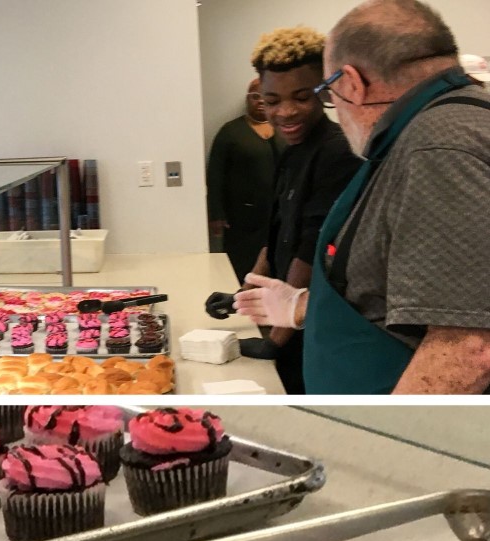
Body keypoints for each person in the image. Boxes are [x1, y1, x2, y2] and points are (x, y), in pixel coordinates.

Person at [233, 0, 490, 394]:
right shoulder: (429, 129)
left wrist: (385, 437)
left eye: (326, 92)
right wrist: (300, 307)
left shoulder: (439, 147)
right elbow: (384, 299)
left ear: (351, 82)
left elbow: (468, 349)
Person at [208, 26, 360, 394]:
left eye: (302, 97)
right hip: (288, 320)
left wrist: (275, 340)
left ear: (324, 90)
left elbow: (308, 253)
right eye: (272, 101)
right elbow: (276, 237)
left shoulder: (336, 151)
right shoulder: (292, 150)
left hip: (312, 328)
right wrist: (243, 294)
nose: (286, 112)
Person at [206, 78, 282, 282]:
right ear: (247, 99)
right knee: (243, 269)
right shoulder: (231, 132)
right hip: (241, 218)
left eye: (265, 96)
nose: (260, 101)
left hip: (280, 215)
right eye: (255, 96)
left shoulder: (284, 129)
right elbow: (215, 175)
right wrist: (216, 214)